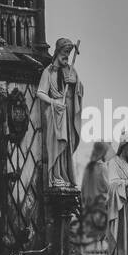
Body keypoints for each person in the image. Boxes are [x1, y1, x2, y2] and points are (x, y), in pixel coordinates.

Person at [35, 37, 84, 188]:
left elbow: (80, 90)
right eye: (64, 53)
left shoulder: (70, 70)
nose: (66, 57)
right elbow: (40, 92)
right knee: (57, 144)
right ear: (57, 52)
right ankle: (56, 175)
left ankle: (66, 175)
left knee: (67, 144)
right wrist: (53, 102)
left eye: (69, 54)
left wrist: (75, 83)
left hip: (68, 112)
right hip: (55, 113)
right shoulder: (48, 72)